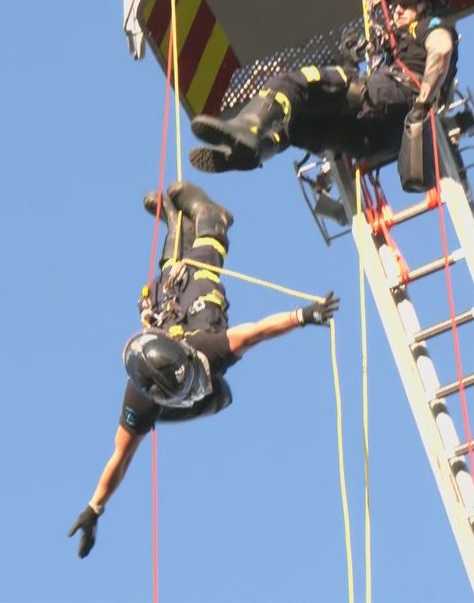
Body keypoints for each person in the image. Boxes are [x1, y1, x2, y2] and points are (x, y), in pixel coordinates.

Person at [68, 181, 340, 558]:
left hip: (184, 346)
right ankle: (214, 219)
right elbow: (121, 456)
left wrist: (94, 508)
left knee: (171, 285)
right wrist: (94, 509)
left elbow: (257, 331)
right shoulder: (156, 388)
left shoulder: (191, 349)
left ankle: (175, 225)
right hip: (210, 394)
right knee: (202, 279)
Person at [188, 0, 461, 191]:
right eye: (394, 5)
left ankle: (248, 126)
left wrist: (421, 105)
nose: (397, 11)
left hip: (390, 98)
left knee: (297, 83)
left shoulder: (431, 26)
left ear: (425, 5)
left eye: (405, 3)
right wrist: (354, 54)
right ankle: (253, 151)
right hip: (376, 138)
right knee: (299, 124)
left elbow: (442, 50)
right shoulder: (398, 47)